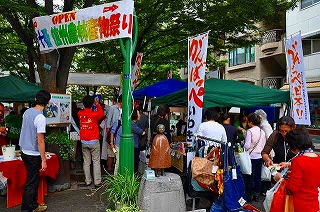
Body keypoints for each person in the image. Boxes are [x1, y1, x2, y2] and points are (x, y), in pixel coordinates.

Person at [19, 90, 51, 212]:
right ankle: (26, 209)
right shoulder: (40, 117)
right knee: (31, 183)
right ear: (47, 103)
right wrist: (44, 160)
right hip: (33, 153)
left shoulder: (27, 112)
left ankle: (34, 206)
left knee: (32, 180)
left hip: (24, 151)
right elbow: (40, 141)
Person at [275, 129, 320, 212]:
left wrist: (280, 179)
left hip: (300, 204)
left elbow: (293, 188)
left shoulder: (298, 161)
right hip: (314, 203)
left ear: (294, 145)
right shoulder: (318, 159)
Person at [78, 95, 104, 187]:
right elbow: (102, 113)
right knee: (96, 161)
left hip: (84, 141)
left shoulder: (80, 114)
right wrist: (97, 104)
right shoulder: (95, 114)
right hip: (94, 141)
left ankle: (88, 180)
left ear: (83, 104)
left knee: (86, 162)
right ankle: (97, 182)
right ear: (92, 103)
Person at [110, 109, 145, 174]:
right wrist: (111, 143)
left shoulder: (130, 123)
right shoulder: (124, 123)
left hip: (122, 144)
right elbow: (141, 132)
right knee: (118, 161)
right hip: (118, 144)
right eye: (138, 114)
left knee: (121, 161)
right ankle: (116, 177)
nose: (140, 115)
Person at [243, 113, 266, 202]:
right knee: (258, 177)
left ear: (250, 122)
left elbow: (247, 145)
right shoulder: (262, 131)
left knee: (250, 177)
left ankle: (249, 196)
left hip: (251, 157)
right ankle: (257, 195)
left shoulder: (250, 131)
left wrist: (244, 146)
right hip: (260, 157)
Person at [104, 95, 122, 173]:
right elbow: (108, 121)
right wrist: (109, 134)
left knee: (118, 154)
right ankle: (109, 169)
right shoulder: (112, 108)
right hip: (112, 132)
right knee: (111, 152)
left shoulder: (126, 109)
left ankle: (115, 169)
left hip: (120, 134)